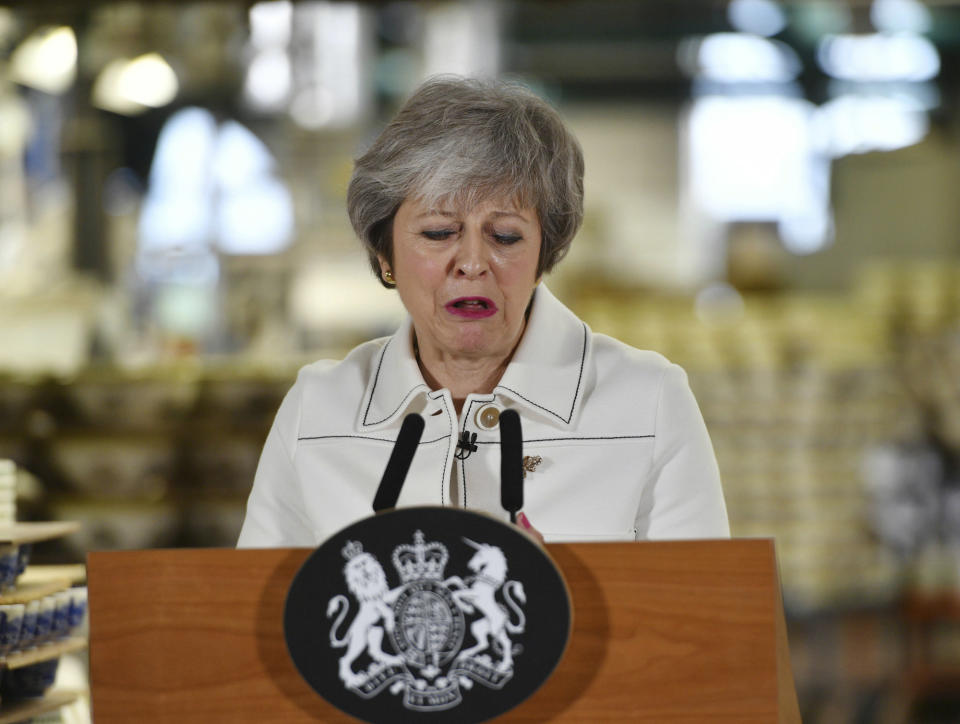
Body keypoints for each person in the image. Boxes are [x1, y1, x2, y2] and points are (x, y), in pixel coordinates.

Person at [237, 76, 729, 548]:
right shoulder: (317, 409)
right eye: (438, 233)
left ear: (545, 253)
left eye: (506, 236)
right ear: (384, 254)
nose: (472, 263)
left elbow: (701, 617)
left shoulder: (649, 401)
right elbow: (253, 617)